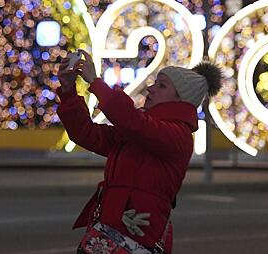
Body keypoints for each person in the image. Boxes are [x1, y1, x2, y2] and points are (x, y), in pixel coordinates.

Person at [56, 49, 222, 254]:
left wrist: (95, 82)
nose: (150, 89)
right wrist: (68, 90)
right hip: (109, 233)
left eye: (161, 86)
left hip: (136, 238)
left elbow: (132, 121)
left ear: (181, 100)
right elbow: (86, 134)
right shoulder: (141, 130)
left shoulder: (177, 135)